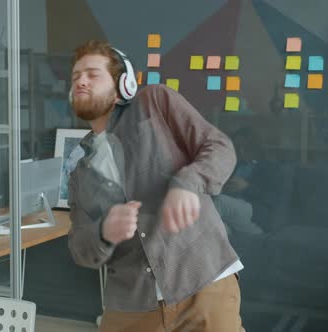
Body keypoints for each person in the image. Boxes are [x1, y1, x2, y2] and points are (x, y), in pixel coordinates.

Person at [67, 40, 245, 332]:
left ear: (123, 85)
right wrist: (104, 232)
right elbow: (79, 246)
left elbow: (219, 147)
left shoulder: (155, 102)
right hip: (132, 305)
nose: (81, 82)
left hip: (202, 283)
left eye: (92, 74)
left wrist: (188, 183)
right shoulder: (79, 169)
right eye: (75, 77)